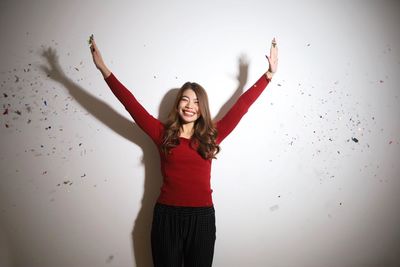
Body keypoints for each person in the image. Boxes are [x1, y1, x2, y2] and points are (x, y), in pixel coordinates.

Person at [90, 36, 278, 267]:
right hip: (166, 217)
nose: (190, 106)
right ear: (178, 104)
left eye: (197, 102)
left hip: (202, 219)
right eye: (185, 100)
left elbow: (241, 107)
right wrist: (104, 70)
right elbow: (131, 105)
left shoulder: (212, 135)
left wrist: (267, 76)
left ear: (202, 108)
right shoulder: (162, 134)